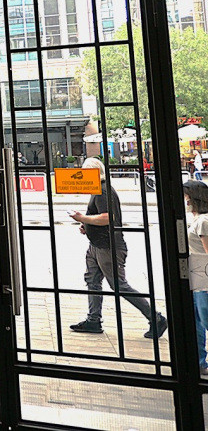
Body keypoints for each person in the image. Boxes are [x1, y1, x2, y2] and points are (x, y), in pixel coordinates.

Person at [68, 157, 168, 338]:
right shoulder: (98, 189)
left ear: (95, 173)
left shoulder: (103, 190)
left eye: (85, 172)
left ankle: (156, 317)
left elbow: (107, 217)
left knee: (119, 285)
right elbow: (101, 217)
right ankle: (93, 320)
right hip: (98, 245)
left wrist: (82, 218)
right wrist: (87, 225)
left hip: (109, 246)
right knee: (92, 281)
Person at [184, 180, 208, 377]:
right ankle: (199, 362)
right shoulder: (197, 220)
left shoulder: (203, 221)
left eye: (185, 196)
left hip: (203, 277)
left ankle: (200, 362)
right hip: (197, 275)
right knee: (198, 321)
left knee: (204, 319)